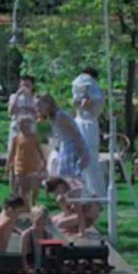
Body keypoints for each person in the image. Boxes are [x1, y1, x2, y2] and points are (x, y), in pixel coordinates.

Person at [36, 94, 91, 186]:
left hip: (72, 146)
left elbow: (75, 134)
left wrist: (81, 152)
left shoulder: (59, 115)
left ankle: (79, 192)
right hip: (65, 146)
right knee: (64, 177)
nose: (37, 108)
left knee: (67, 177)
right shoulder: (53, 118)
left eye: (39, 105)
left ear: (47, 104)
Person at [71, 68, 107, 199]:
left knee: (91, 157)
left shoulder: (96, 94)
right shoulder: (79, 94)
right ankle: (82, 190)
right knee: (80, 157)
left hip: (89, 125)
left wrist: (87, 103)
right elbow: (76, 104)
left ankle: (95, 191)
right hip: (80, 124)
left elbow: (94, 108)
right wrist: (80, 103)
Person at [8, 115, 47, 208]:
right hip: (20, 165)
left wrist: (43, 161)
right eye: (22, 124)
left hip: (33, 165)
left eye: (26, 124)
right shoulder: (16, 138)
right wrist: (9, 164)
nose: (24, 126)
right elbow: (12, 152)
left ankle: (33, 202)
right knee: (22, 188)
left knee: (35, 187)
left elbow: (39, 149)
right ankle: (25, 206)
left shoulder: (34, 137)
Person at [8, 74, 37, 145]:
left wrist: (27, 108)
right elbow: (10, 112)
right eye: (23, 85)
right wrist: (17, 95)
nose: (25, 88)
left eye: (28, 85)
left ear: (32, 86)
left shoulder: (35, 98)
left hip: (30, 127)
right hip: (16, 127)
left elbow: (38, 114)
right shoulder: (13, 96)